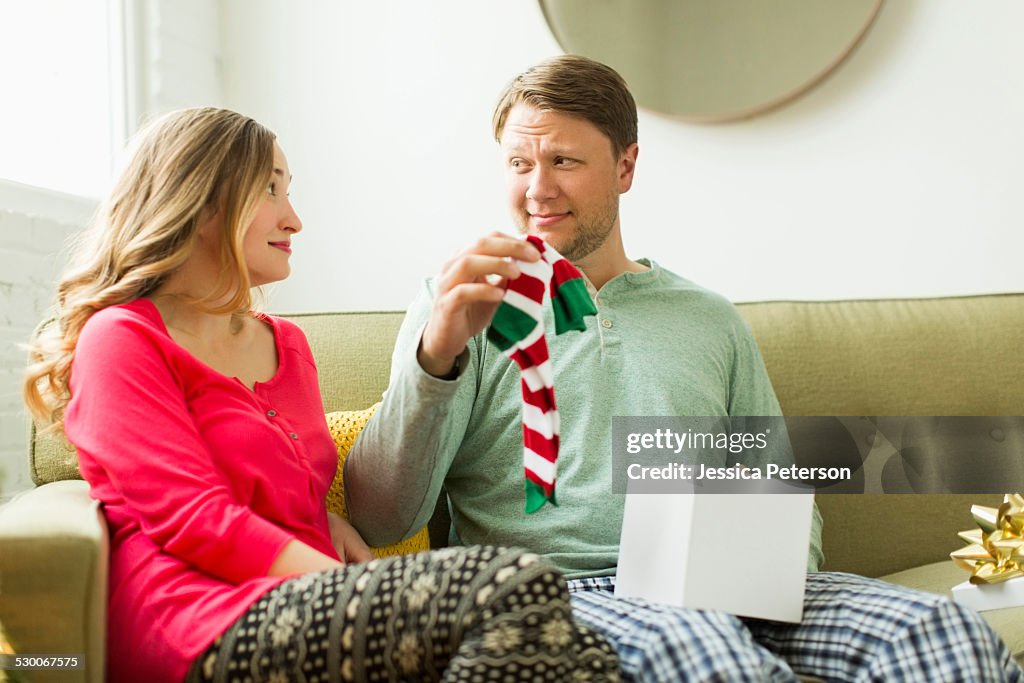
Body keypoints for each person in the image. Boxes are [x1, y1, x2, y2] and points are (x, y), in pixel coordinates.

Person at [345, 55, 1024, 682]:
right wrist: (435, 358)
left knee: (946, 633)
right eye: (519, 162)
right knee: (707, 651)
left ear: (626, 166)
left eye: (563, 160)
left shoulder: (708, 318)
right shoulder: (458, 306)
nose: (537, 188)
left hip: (724, 579)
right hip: (556, 590)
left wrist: (766, 579)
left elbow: (775, 484)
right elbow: (381, 516)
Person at [23, 107, 619, 683]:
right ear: (199, 202)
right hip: (196, 621)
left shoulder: (287, 346)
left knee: (584, 651)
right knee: (514, 583)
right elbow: (193, 518)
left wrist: (327, 526)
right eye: (271, 191)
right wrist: (351, 583)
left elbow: (294, 494)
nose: (294, 219)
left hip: (312, 611)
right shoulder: (123, 338)